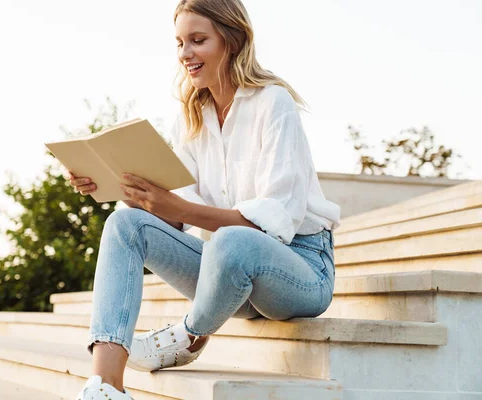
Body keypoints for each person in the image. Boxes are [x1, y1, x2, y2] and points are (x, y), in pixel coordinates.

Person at [72, 0, 341, 398]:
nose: (185, 54)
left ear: (231, 41)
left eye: (197, 40)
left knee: (233, 239)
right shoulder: (192, 117)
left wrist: (177, 208)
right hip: (228, 278)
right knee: (123, 224)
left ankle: (189, 336)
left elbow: (277, 219)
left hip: (300, 269)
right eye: (180, 43)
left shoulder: (273, 102)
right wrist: (114, 184)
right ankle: (105, 386)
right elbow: (175, 218)